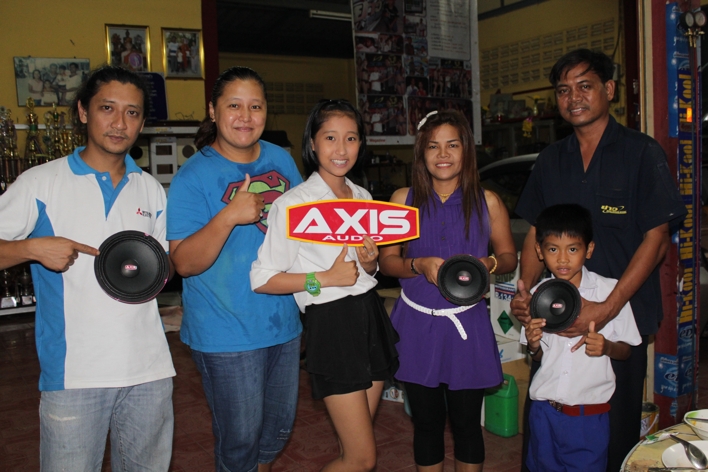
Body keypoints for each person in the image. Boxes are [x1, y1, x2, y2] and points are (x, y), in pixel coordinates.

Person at [510, 48, 687, 471]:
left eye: (585, 86)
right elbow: (535, 231)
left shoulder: (641, 154)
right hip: (556, 316)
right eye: (563, 90)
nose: (573, 98)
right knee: (544, 424)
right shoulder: (552, 160)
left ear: (609, 89)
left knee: (611, 437)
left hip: (618, 323)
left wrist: (605, 310)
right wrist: (525, 292)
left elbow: (657, 239)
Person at [0, 65, 175, 471]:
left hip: (149, 372)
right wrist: (32, 248)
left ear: (142, 124)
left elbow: (160, 270)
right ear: (83, 112)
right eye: (107, 108)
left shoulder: (150, 189)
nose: (120, 123)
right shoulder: (41, 183)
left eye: (132, 113)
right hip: (75, 376)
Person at [166, 66, 303, 472]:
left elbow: (305, 228)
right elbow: (183, 262)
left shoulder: (281, 159)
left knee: (276, 430)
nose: (245, 116)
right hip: (224, 331)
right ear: (213, 110)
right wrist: (229, 216)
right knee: (241, 439)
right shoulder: (194, 176)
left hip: (283, 322)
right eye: (234, 106)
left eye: (255, 106)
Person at [250, 99, 399, 471]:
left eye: (351, 138)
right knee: (362, 459)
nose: (341, 148)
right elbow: (263, 279)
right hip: (331, 323)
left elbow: (365, 273)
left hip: (369, 314)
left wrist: (370, 261)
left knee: (354, 449)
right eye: (330, 137)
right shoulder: (294, 204)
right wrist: (324, 279)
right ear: (313, 143)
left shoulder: (363, 198)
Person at [379, 110, 517, 472]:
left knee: (467, 424)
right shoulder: (402, 199)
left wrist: (487, 263)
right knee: (426, 423)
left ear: (466, 150)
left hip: (467, 324)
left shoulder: (487, 201)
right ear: (421, 153)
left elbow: (508, 256)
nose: (443, 154)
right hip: (416, 324)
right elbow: (387, 263)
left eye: (452, 145)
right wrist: (419, 264)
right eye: (433, 146)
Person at [520, 204, 641, 472]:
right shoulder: (537, 296)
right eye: (553, 249)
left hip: (588, 418)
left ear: (589, 249)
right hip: (544, 412)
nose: (563, 259)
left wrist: (606, 347)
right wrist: (533, 344)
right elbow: (538, 357)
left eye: (573, 249)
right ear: (539, 251)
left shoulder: (609, 292)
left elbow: (627, 351)